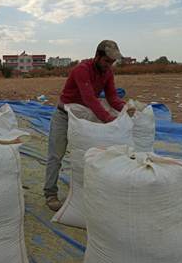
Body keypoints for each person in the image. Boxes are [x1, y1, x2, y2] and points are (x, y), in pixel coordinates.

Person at [44, 40, 135, 211]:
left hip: (83, 118)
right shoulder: (82, 70)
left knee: (87, 155)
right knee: (56, 155)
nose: (109, 65)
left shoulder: (107, 73)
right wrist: (109, 120)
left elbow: (112, 98)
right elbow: (89, 99)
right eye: (107, 61)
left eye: (112, 62)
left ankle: (85, 192)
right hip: (64, 116)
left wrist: (125, 108)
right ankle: (50, 194)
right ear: (97, 56)